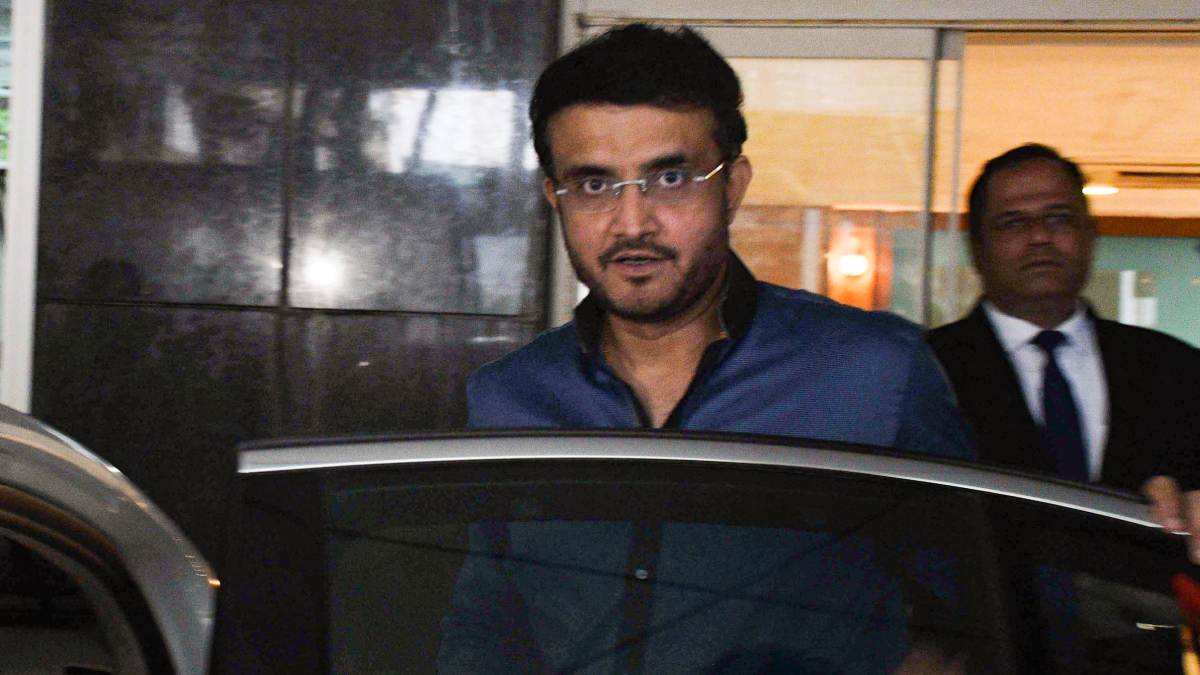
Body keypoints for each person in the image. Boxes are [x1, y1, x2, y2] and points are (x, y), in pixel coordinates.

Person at [439, 23, 973, 674]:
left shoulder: (874, 374)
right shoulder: (508, 399)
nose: (632, 223)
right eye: (595, 184)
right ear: (556, 198)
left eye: (669, 178)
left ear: (733, 185)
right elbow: (486, 630)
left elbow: (970, 609)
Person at [926, 143, 1200, 545]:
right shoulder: (927, 368)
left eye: (1059, 218)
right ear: (977, 248)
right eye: (1013, 223)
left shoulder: (1175, 369)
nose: (1040, 237)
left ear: (1091, 235)